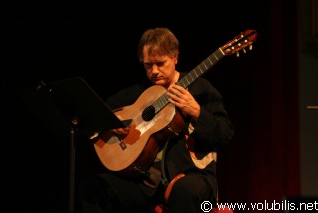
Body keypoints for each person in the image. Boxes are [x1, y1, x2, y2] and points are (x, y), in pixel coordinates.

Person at [79, 27, 234, 213]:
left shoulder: (200, 88)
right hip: (144, 183)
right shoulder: (140, 91)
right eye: (147, 65)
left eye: (160, 63)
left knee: (185, 190)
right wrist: (113, 124)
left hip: (189, 176)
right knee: (93, 187)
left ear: (175, 58)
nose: (154, 71)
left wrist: (196, 111)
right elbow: (102, 112)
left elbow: (225, 134)